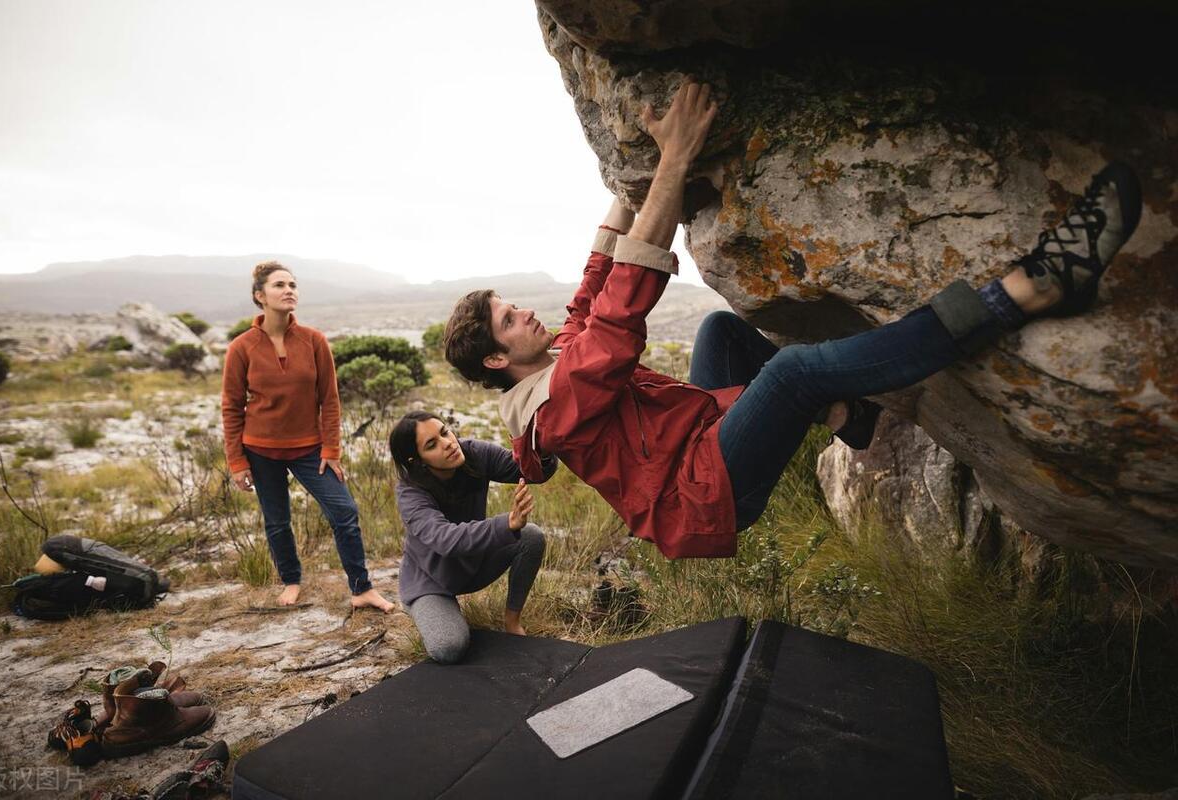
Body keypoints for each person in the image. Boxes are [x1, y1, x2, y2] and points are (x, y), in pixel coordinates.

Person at [441, 81, 1143, 560]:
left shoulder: (552, 359)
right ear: (500, 361)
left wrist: (630, 185)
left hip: (698, 438)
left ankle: (852, 419)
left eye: (511, 303)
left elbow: (591, 290)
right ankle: (1026, 291)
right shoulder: (555, 408)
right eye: (509, 318)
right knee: (794, 370)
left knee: (720, 333)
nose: (524, 311)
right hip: (704, 497)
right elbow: (622, 303)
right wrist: (676, 157)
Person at [222, 261, 396, 610]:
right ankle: (291, 580)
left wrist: (332, 449)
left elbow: (329, 400)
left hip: (310, 450)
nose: (289, 290)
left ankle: (361, 588)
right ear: (260, 296)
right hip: (260, 449)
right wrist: (236, 461)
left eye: (292, 285)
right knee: (277, 521)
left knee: (344, 512)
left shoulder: (314, 341)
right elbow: (231, 406)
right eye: (279, 285)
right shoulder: (242, 347)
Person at [390, 411, 553, 664]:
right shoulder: (410, 492)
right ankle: (427, 610)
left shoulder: (473, 454)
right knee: (448, 647)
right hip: (432, 580)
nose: (447, 443)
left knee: (530, 537)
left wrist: (541, 442)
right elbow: (445, 540)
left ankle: (512, 622)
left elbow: (532, 471)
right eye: (431, 445)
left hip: (475, 563)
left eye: (445, 432)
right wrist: (506, 524)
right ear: (417, 461)